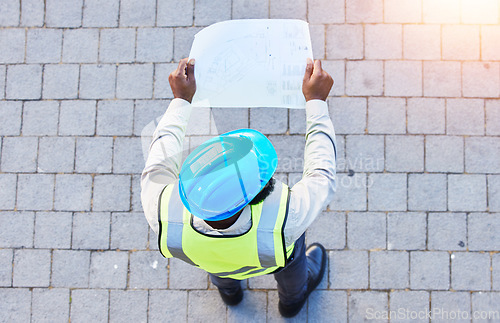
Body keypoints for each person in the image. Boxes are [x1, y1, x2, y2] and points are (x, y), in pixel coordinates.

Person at [141, 57, 336, 318]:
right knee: (293, 274)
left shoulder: (162, 211)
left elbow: (158, 161)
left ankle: (230, 293)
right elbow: (321, 174)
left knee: (220, 268)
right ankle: (291, 305)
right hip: (277, 258)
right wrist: (317, 103)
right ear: (255, 197)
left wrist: (181, 100)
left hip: (211, 258)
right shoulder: (288, 217)